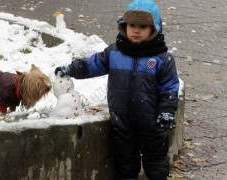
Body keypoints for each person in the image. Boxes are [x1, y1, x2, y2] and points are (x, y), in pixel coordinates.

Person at [54, 0, 179, 179]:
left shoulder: (161, 59)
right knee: (125, 162)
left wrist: (167, 111)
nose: (136, 30)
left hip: (153, 125)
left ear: (154, 29)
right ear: (124, 26)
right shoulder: (114, 53)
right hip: (123, 124)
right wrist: (70, 69)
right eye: (132, 25)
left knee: (156, 162)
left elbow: (169, 88)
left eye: (143, 26)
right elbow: (91, 65)